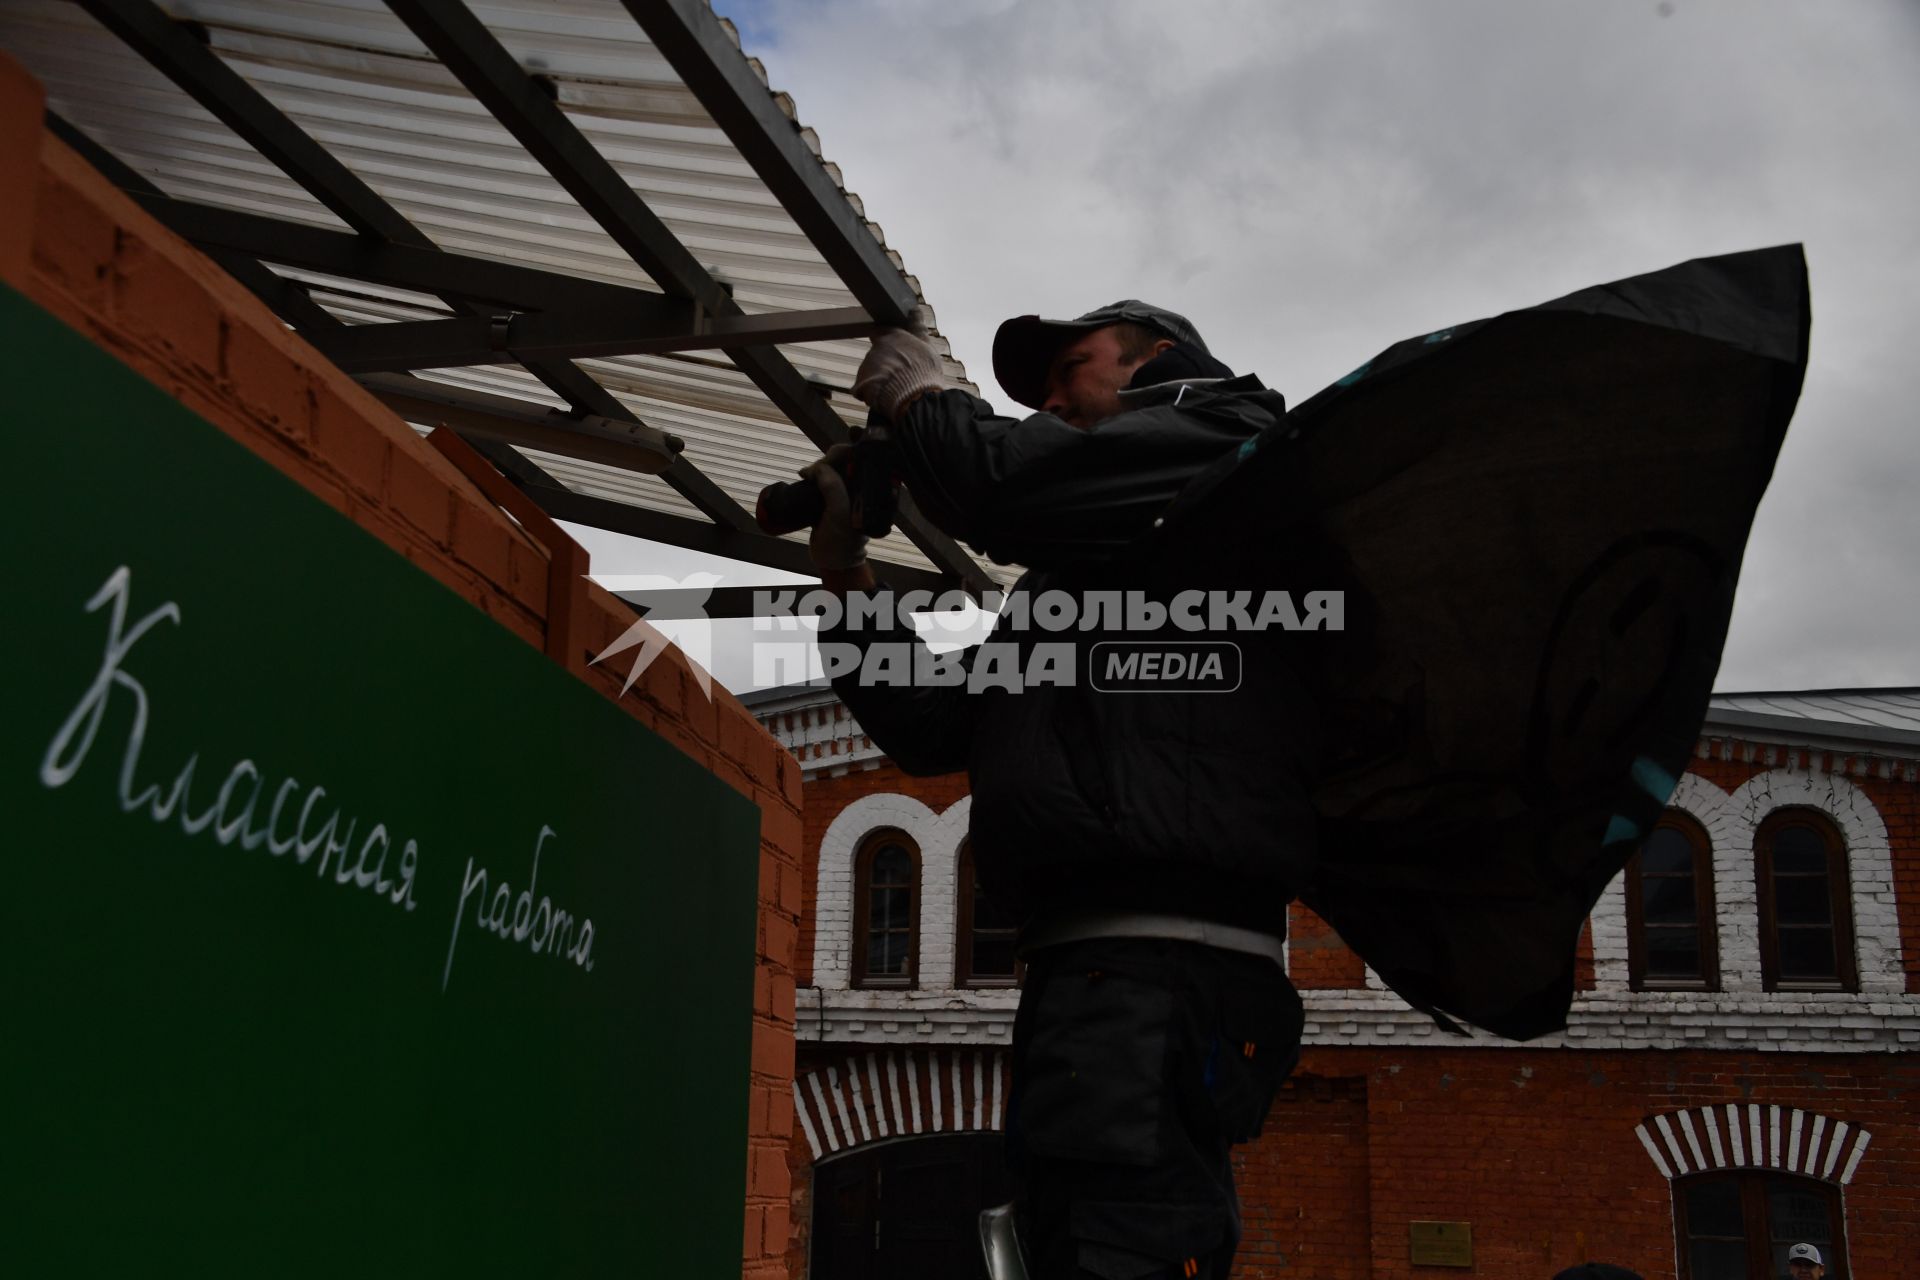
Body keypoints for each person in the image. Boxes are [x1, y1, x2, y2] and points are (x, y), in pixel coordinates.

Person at [802, 302, 1327, 1279]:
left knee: (1120, 1245)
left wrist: (920, 394)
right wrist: (844, 575)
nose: (1049, 401)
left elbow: (1011, 479)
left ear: (1158, 363)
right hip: (1098, 971)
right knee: (1070, 1240)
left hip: (1156, 969)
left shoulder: (1231, 435)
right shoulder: (1083, 577)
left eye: (1070, 369)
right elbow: (932, 723)